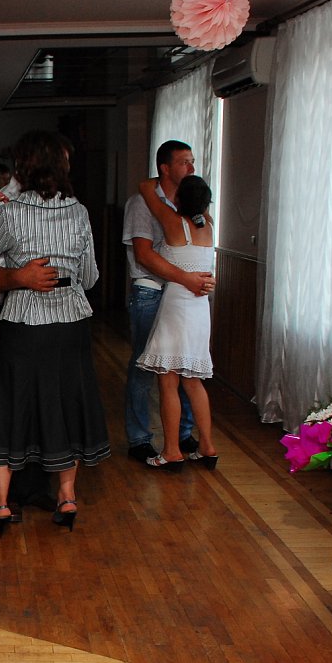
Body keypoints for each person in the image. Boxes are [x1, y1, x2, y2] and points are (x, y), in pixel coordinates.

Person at [0, 130, 110, 534]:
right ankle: (67, 496)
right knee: (67, 403)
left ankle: (0, 503)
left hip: (24, 323)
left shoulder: (10, 212)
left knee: (10, 406)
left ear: (23, 166)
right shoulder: (79, 211)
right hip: (72, 322)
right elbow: (90, 276)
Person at [122, 140, 211, 462]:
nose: (191, 167)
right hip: (152, 291)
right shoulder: (142, 203)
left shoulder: (192, 208)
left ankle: (182, 437)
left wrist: (198, 278)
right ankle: (140, 438)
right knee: (146, 368)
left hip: (184, 297)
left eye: (192, 161)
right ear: (165, 168)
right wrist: (186, 278)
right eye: (184, 162)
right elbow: (144, 255)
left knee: (184, 369)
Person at [135, 175, 218, 470]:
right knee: (193, 382)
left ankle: (171, 451)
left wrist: (172, 177)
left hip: (176, 306)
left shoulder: (173, 222)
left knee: (167, 380)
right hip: (199, 309)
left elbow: (145, 188)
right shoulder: (208, 225)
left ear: (180, 198)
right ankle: (207, 446)